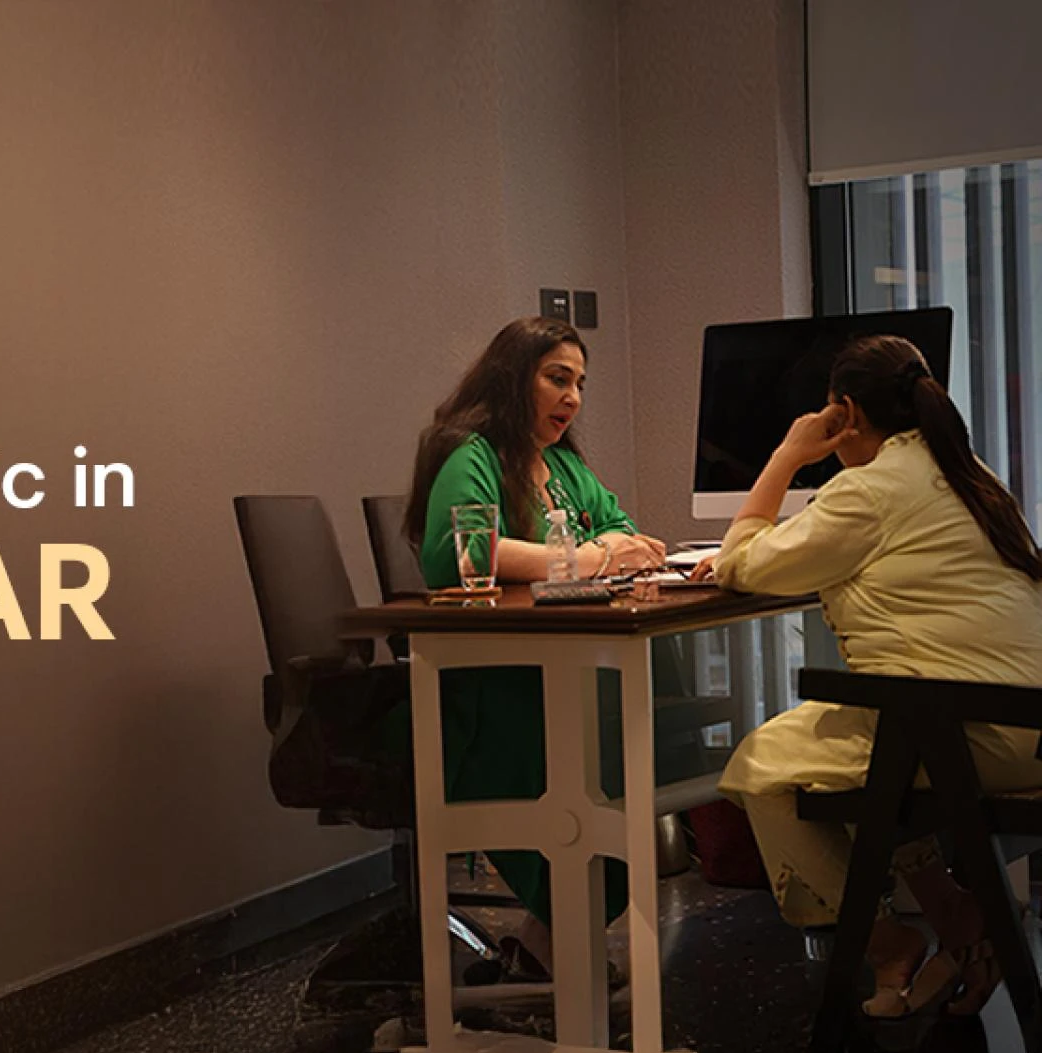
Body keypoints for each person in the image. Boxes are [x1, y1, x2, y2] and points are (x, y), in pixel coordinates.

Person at [705, 334, 1042, 1017]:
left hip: (967, 731)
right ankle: (953, 913)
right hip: (1023, 725)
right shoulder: (970, 474)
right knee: (861, 746)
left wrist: (788, 455)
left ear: (846, 414)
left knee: (762, 767)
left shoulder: (869, 491)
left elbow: (740, 564)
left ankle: (887, 944)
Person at [403, 315, 667, 979]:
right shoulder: (470, 453)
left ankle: (543, 949)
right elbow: (460, 551)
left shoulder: (565, 464)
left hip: (559, 673)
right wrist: (587, 558)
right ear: (513, 377)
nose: (572, 397)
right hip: (489, 688)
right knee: (598, 775)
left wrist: (599, 552)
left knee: (632, 757)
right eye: (557, 379)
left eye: (580, 384)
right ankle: (555, 948)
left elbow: (626, 534)